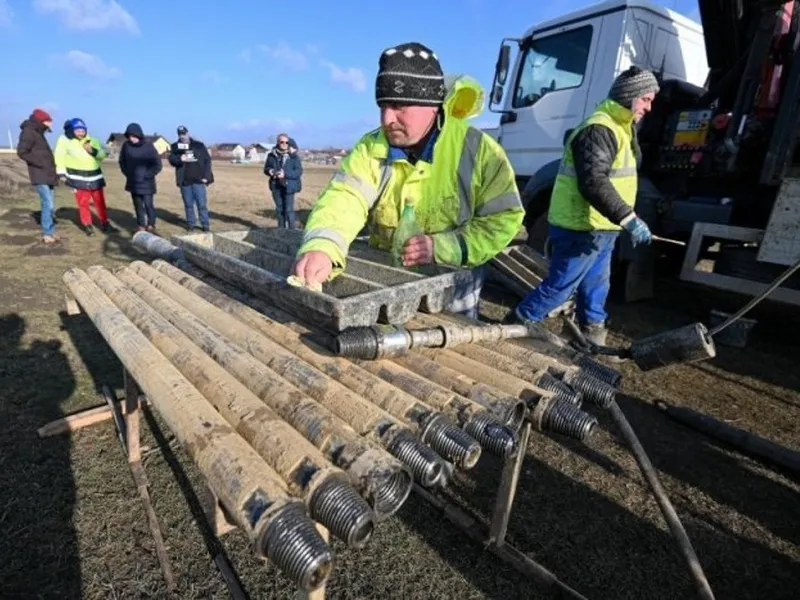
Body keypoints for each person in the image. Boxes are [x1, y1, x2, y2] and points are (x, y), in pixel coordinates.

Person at [292, 42, 524, 318]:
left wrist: (444, 247)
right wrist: (323, 248)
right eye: (383, 106)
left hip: (453, 290)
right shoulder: (370, 148)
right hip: (387, 285)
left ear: (432, 104)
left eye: (399, 106)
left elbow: (503, 217)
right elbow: (344, 199)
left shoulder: (478, 150)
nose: (387, 118)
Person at [513, 66, 659, 344]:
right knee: (560, 287)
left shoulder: (621, 128)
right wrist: (627, 217)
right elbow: (593, 182)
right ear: (629, 96)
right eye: (646, 99)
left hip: (602, 226)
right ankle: (515, 325)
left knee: (596, 286)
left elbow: (616, 180)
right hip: (580, 225)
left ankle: (592, 337)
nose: (649, 108)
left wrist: (625, 217)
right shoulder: (599, 129)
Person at [54, 118, 116, 236]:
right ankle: (87, 225)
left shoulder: (92, 140)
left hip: (95, 177)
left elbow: (102, 155)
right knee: (83, 202)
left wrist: (92, 150)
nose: (81, 132)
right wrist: (61, 173)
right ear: (72, 130)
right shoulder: (65, 140)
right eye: (78, 130)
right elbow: (59, 156)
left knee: (100, 202)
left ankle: (105, 223)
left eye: (83, 130)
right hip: (77, 178)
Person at [17, 108, 59, 244]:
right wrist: (41, 162)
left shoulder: (39, 133)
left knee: (50, 203)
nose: (51, 125)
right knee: (48, 203)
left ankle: (51, 231)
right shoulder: (28, 132)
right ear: (42, 121)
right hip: (39, 173)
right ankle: (47, 233)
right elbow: (22, 151)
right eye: (49, 121)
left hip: (47, 173)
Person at [118, 123, 163, 232]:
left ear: (139, 135)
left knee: (148, 205)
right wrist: (128, 173)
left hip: (147, 182)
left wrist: (148, 175)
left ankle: (151, 223)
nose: (131, 139)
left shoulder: (148, 146)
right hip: (133, 182)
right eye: (129, 136)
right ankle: (141, 224)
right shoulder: (126, 146)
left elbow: (157, 164)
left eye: (133, 136)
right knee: (138, 205)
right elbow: (122, 161)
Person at [168, 125, 214, 231]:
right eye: (180, 134)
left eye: (184, 134)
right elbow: (171, 159)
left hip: (199, 180)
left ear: (188, 133)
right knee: (188, 204)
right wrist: (180, 158)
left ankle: (205, 225)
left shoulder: (199, 145)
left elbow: (207, 161)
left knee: (202, 204)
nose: (182, 136)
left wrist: (206, 177)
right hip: (185, 181)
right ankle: (191, 224)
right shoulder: (176, 147)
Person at [264, 133, 303, 228]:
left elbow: (298, 171)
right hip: (276, 185)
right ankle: (281, 230)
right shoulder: (271, 155)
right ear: (278, 142)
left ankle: (292, 232)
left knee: (289, 210)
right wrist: (271, 171)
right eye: (282, 142)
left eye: (286, 142)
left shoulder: (293, 157)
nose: (284, 144)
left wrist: (285, 174)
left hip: (289, 186)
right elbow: (266, 168)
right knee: (279, 209)